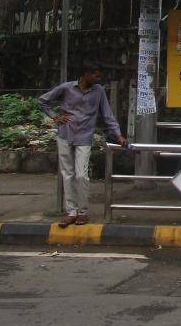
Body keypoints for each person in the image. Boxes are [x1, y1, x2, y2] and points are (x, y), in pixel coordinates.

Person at [38, 62, 126, 227]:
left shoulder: (98, 91)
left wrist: (118, 134)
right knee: (67, 174)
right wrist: (55, 116)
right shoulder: (66, 88)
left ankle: (83, 211)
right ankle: (71, 211)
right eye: (95, 75)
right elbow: (43, 101)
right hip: (65, 134)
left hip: (85, 136)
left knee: (81, 175)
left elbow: (107, 114)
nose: (98, 79)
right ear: (86, 74)